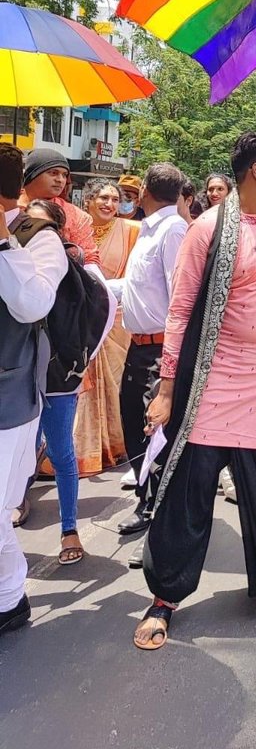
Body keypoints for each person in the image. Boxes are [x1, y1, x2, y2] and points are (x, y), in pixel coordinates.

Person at [133, 132, 256, 650]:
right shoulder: (207, 230)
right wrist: (168, 388)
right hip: (211, 387)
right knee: (186, 497)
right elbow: (180, 309)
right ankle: (164, 598)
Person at [22, 198, 114, 566]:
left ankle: (69, 528)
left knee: (61, 452)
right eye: (26, 225)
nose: (31, 233)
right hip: (17, 378)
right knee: (20, 453)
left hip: (58, 379)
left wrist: (79, 363)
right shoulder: (10, 260)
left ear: (58, 232)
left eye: (42, 227)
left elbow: (102, 310)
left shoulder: (71, 268)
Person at [0, 144, 68, 636]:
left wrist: (2, 242)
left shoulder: (36, 236)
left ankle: (9, 598)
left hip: (9, 392)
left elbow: (31, 304)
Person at [108, 163, 188, 541]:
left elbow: (180, 298)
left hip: (160, 349)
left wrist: (172, 361)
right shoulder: (149, 229)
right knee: (133, 424)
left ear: (143, 190)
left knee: (154, 430)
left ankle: (155, 508)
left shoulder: (172, 231)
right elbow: (138, 287)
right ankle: (147, 498)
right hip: (138, 347)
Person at [75, 180, 139, 477]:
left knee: (115, 384)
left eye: (115, 199)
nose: (109, 204)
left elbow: (139, 277)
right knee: (81, 388)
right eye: (102, 197)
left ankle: (116, 445)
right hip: (81, 320)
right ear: (88, 200)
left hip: (116, 322)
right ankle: (83, 450)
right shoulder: (76, 228)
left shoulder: (131, 231)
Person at [21, 149, 99, 267]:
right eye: (53, 173)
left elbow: (89, 259)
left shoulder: (76, 215)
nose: (60, 180)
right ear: (33, 174)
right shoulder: (8, 206)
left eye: (64, 175)